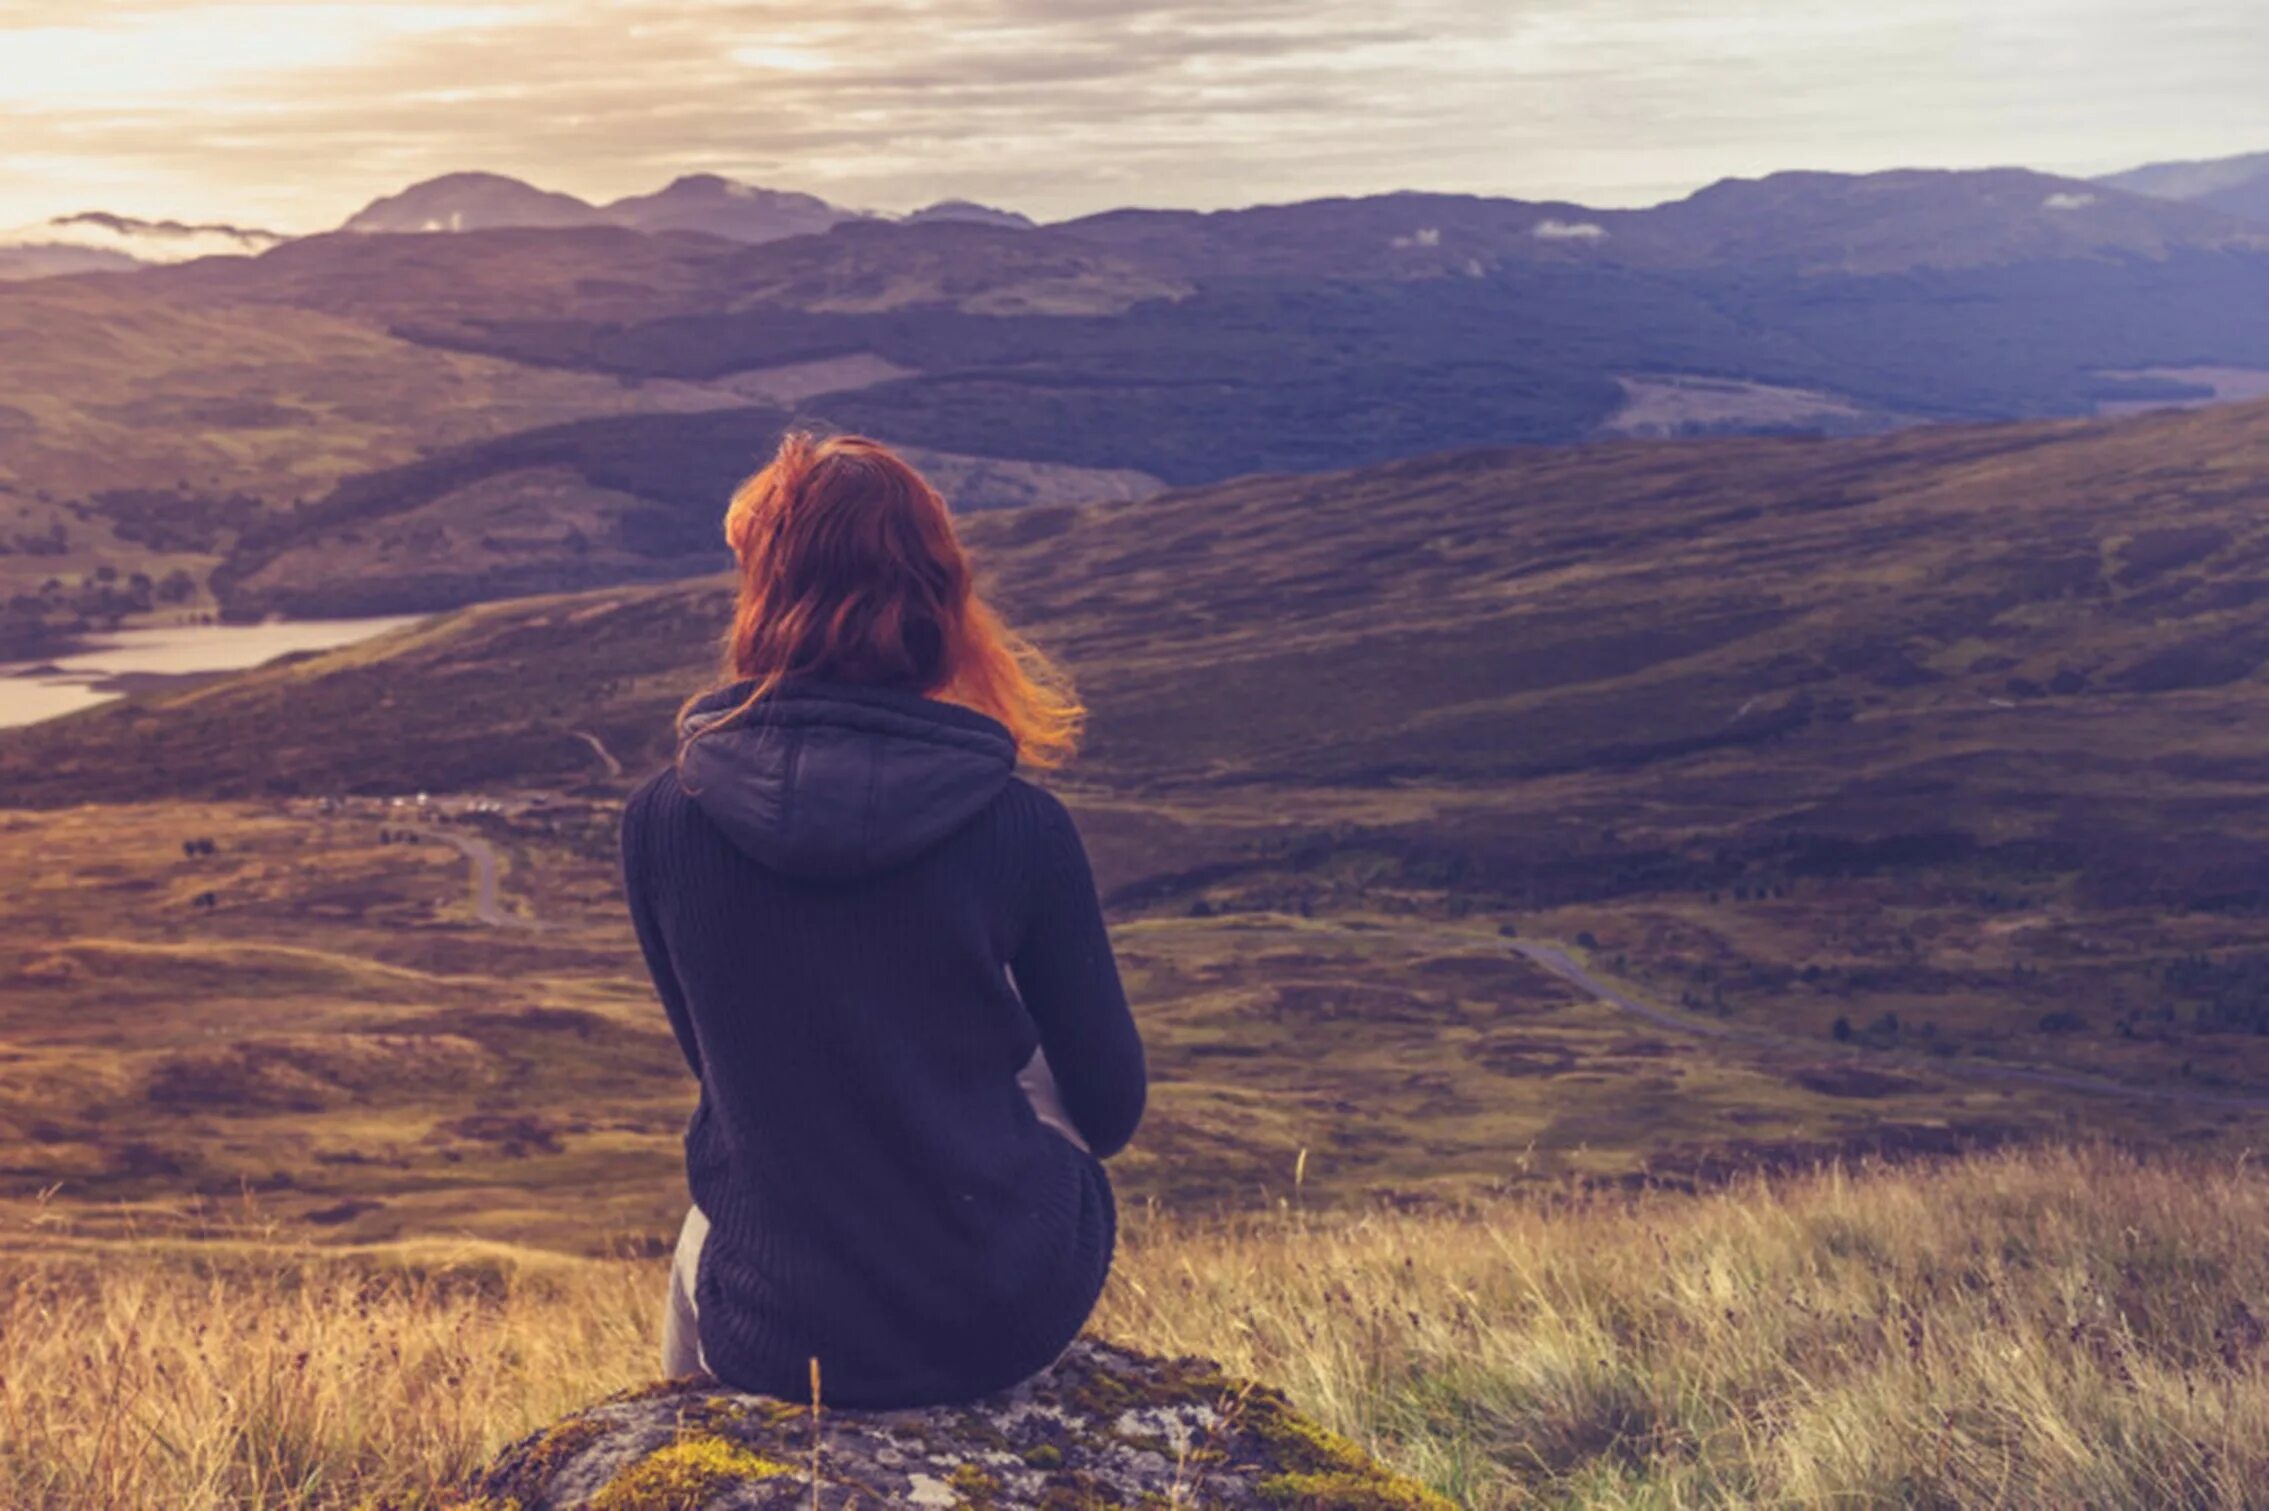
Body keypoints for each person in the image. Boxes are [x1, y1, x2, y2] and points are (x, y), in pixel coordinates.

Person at [619, 432, 1146, 1409]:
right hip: (1001, 1315)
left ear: (762, 592)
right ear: (940, 597)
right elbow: (1108, 1108)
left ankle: (694, 1449)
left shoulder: (662, 816)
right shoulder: (1021, 825)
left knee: (711, 1214)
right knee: (1038, 1065)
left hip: (774, 1337)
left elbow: (725, 1080)